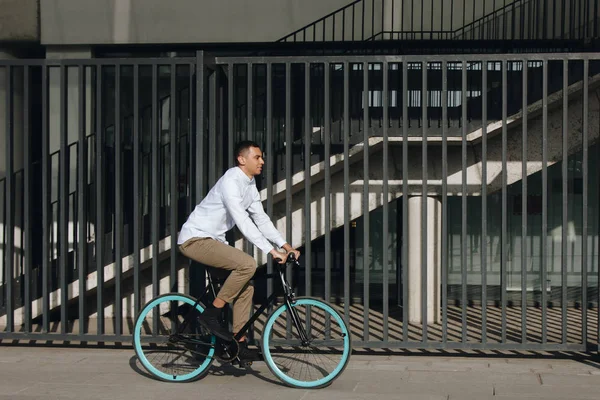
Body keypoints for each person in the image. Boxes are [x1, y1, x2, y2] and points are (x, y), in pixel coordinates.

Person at [177, 140, 300, 362]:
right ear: (242, 160)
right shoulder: (231, 181)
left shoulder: (249, 184)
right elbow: (243, 220)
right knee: (247, 264)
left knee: (246, 285)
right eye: (257, 157)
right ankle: (211, 315)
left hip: (213, 240)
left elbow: (260, 218)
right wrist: (271, 251)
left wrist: (285, 245)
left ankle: (237, 342)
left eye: (262, 157)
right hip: (195, 239)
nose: (262, 161)